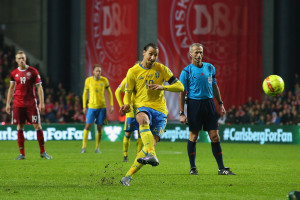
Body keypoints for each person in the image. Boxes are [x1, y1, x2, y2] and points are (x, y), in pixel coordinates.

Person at [119, 43, 184, 186]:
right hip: (142, 106)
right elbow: (127, 94)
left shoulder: (161, 69)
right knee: (143, 120)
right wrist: (126, 104)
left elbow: (180, 86)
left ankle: (127, 177)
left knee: (148, 146)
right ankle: (152, 155)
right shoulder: (133, 72)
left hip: (161, 111)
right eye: (150, 54)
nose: (153, 57)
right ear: (143, 53)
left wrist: (163, 86)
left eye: (155, 55)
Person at [179, 43, 235, 175]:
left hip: (209, 104)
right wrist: (181, 113)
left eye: (201, 52)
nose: (199, 55)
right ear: (190, 54)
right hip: (194, 105)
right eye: (196, 52)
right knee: (194, 136)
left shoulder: (210, 68)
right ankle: (193, 168)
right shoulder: (186, 72)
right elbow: (181, 93)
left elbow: (215, 86)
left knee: (215, 136)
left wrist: (220, 103)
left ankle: (221, 168)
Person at [5, 50, 52, 160]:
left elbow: (39, 87)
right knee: (19, 127)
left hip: (31, 104)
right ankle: (22, 154)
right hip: (18, 104)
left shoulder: (33, 71)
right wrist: (8, 103)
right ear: (16, 60)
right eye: (19, 58)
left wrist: (42, 102)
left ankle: (43, 152)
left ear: (25, 59)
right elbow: (11, 89)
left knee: (37, 126)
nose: (21, 60)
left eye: (23, 58)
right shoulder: (13, 73)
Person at [81, 64, 114, 153]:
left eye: (99, 71)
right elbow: (84, 94)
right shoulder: (88, 81)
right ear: (93, 72)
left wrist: (111, 105)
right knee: (87, 126)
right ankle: (83, 147)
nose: (98, 73)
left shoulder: (104, 80)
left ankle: (97, 148)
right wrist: (84, 106)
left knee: (99, 128)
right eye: (97, 71)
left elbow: (110, 93)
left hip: (102, 107)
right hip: (91, 107)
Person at [115, 77, 143, 162]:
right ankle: (125, 155)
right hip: (131, 112)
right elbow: (117, 92)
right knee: (128, 133)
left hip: (141, 110)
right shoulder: (128, 79)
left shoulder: (145, 79)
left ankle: (138, 156)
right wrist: (121, 105)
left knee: (141, 134)